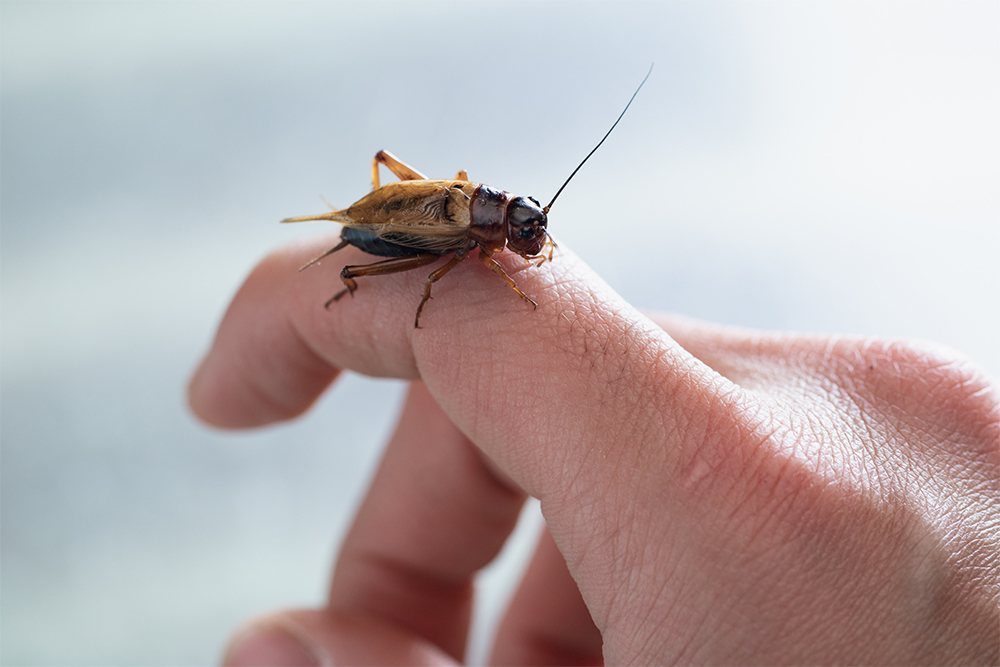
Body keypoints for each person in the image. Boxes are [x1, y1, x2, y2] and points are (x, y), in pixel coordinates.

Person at [189, 234, 999, 666]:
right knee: (426, 274)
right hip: (402, 234)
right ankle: (347, 273)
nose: (528, 242)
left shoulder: (494, 235)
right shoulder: (463, 243)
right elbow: (433, 276)